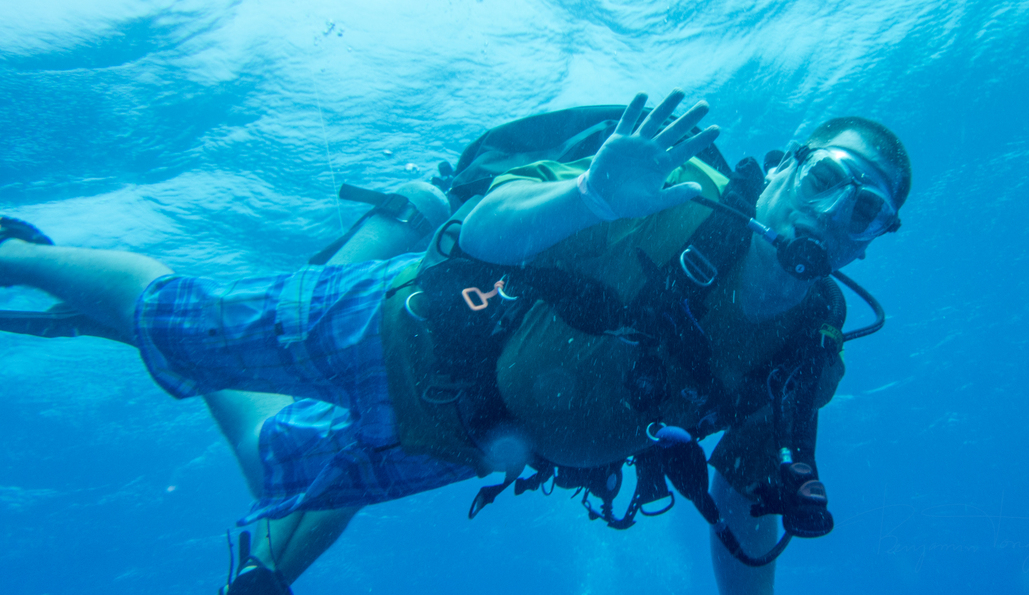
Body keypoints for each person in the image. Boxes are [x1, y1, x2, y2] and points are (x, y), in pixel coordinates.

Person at [0, 88, 910, 595]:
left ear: (873, 238)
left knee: (268, 455)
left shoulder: (807, 353)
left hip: (462, 434)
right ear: (785, 166)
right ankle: (19, 258)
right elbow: (482, 232)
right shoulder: (675, 196)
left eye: (865, 208)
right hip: (396, 327)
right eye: (828, 179)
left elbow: (747, 496)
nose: (835, 213)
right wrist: (589, 197)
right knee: (179, 319)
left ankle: (170, 348)